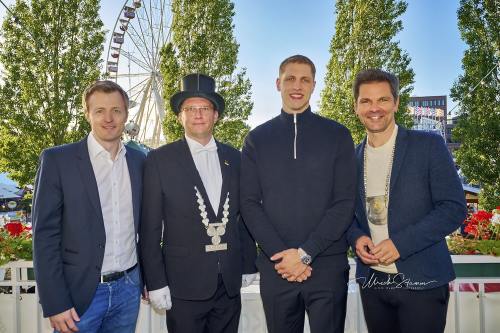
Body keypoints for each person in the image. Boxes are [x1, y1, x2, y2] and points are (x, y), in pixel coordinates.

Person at [240, 55, 357, 333]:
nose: (297, 85)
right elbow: (249, 203)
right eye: (290, 78)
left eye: (305, 79)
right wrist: (282, 256)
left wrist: (306, 253)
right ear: (278, 83)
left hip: (327, 266)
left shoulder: (338, 135)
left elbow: (344, 203)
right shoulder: (256, 139)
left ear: (314, 85)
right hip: (277, 268)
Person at [347, 69, 467, 333]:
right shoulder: (350, 159)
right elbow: (347, 216)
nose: (374, 108)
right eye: (366, 101)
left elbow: (454, 208)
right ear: (356, 107)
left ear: (396, 103)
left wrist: (401, 244)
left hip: (423, 280)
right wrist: (356, 238)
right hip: (373, 282)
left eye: (383, 99)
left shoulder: (429, 145)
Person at [140, 73, 257, 333]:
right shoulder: (159, 161)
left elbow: (245, 216)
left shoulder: (236, 158)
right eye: (190, 108)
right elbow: (149, 229)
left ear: (216, 115)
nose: (198, 114)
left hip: (228, 283)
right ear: (180, 115)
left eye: (205, 108)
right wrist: (156, 281)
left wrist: (249, 262)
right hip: (182, 284)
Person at [32, 80, 146, 333]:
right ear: (87, 114)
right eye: (99, 111)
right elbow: (44, 235)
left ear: (126, 115)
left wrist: (148, 279)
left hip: (128, 288)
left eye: (116, 110)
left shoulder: (140, 161)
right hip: (79, 294)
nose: (108, 118)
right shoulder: (58, 160)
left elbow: (147, 226)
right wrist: (55, 301)